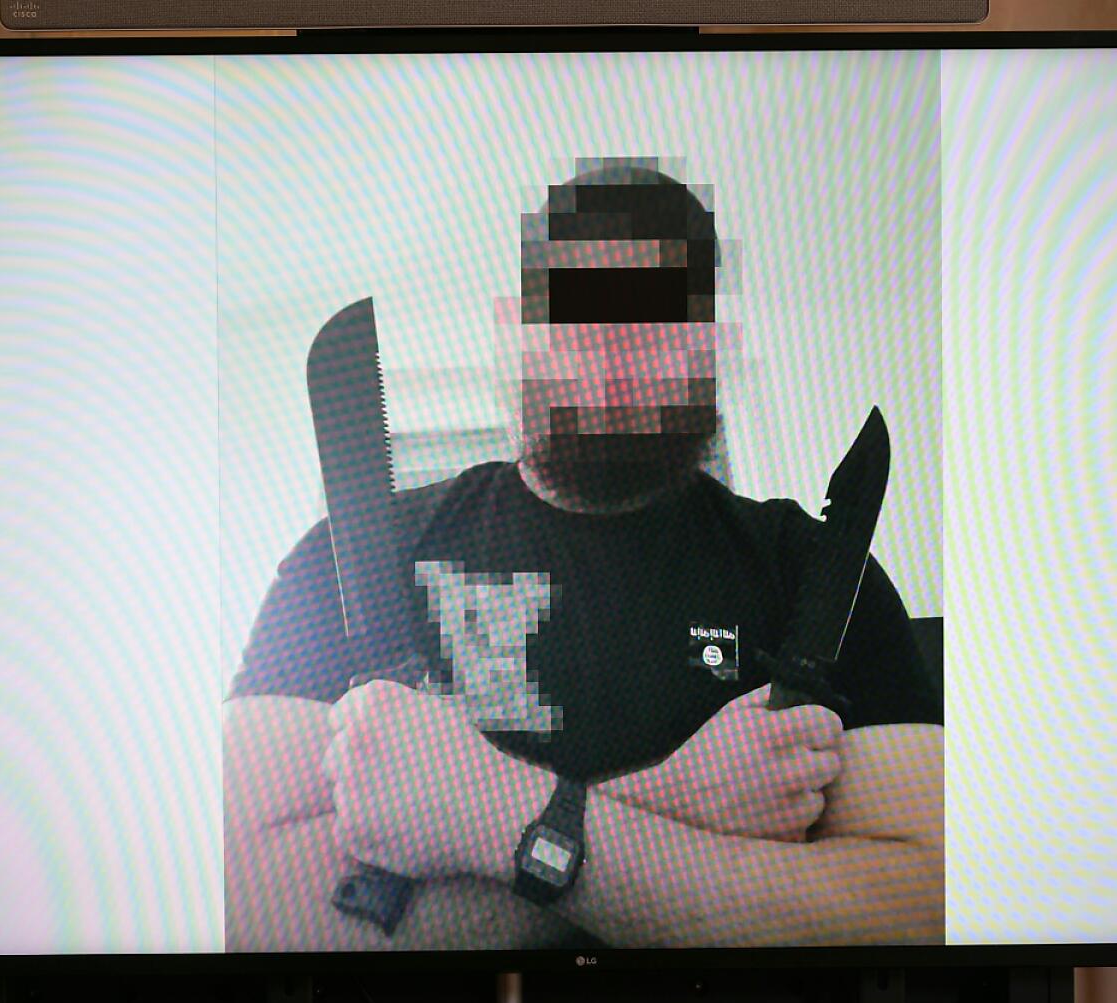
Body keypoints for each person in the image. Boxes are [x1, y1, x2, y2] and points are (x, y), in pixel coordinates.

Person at [223, 162, 943, 952]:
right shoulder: (345, 560)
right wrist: (681, 798)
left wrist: (477, 814)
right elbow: (252, 913)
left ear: (713, 345)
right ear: (512, 330)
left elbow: (920, 901)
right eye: (575, 315)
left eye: (655, 321)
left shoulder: (820, 576)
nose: (611, 360)